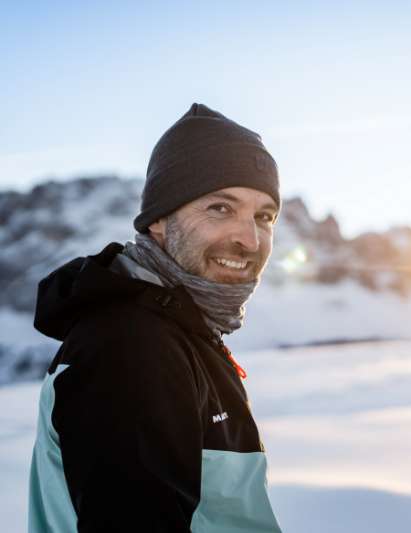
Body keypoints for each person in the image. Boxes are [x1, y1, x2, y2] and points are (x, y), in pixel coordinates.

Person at [28, 103, 283, 532]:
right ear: (159, 220)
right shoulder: (132, 347)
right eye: (221, 208)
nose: (249, 238)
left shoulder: (179, 329)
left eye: (265, 216)